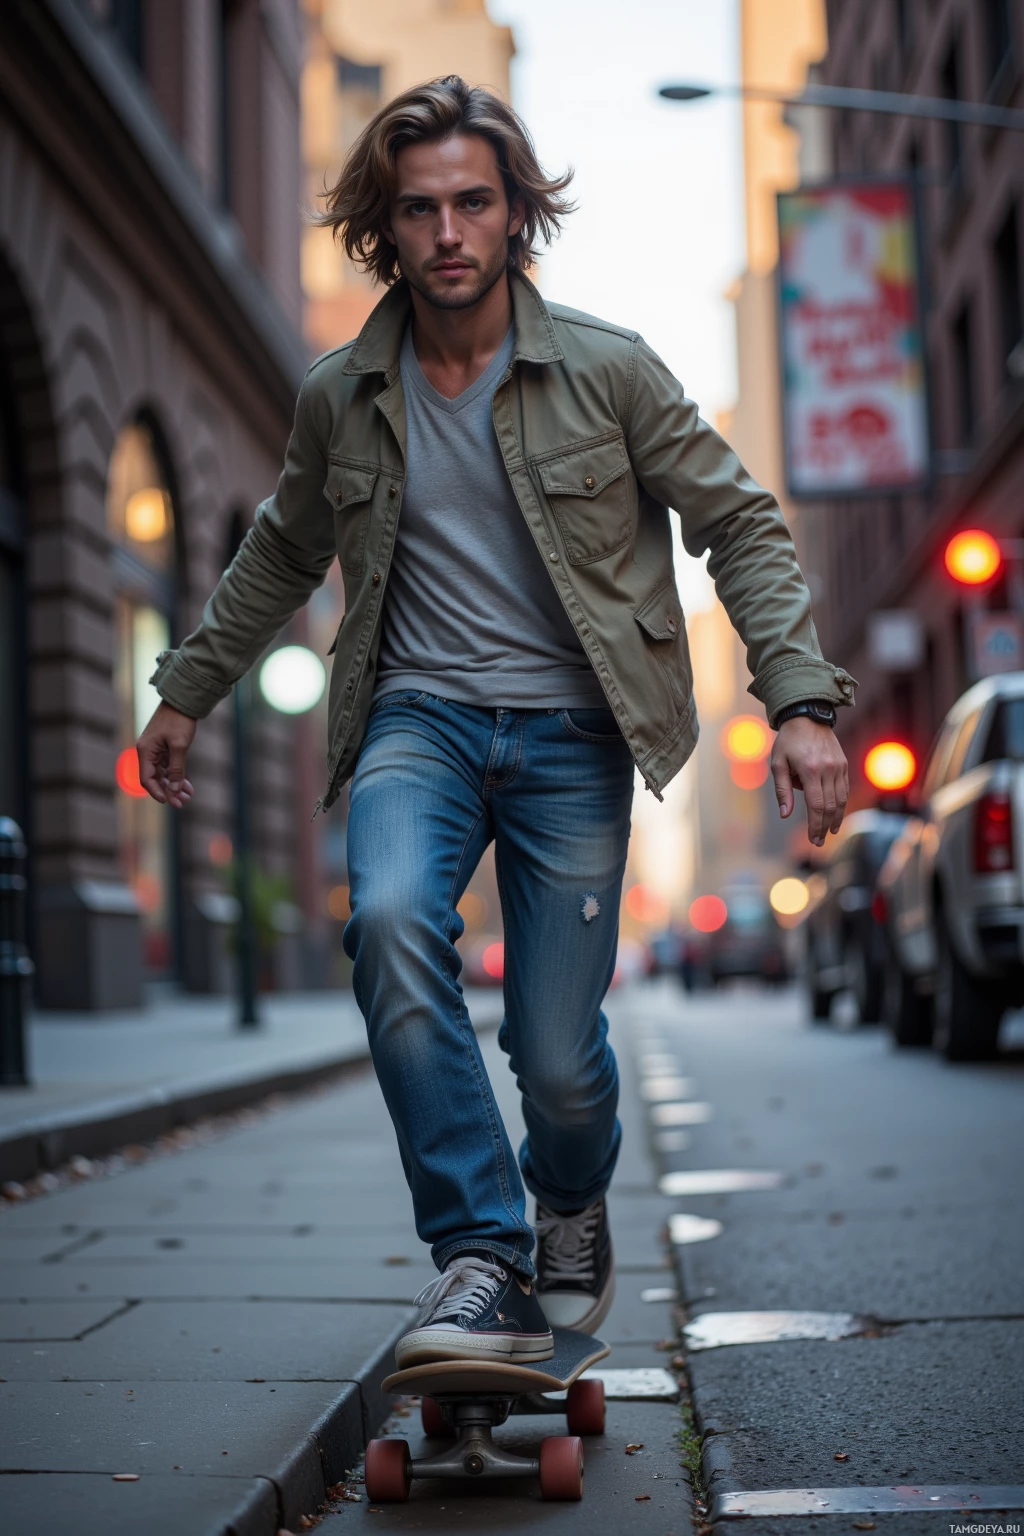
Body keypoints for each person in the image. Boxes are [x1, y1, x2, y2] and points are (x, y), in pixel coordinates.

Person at [137, 76, 854, 1370]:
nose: (449, 232)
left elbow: (739, 520)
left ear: (517, 212)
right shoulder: (341, 395)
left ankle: (569, 1195)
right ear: (385, 228)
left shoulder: (607, 370)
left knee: (556, 1058)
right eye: (420, 210)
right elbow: (282, 548)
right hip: (418, 720)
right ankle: (481, 1254)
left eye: (474, 202)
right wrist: (186, 686)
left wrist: (798, 701)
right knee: (390, 921)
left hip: (574, 736)